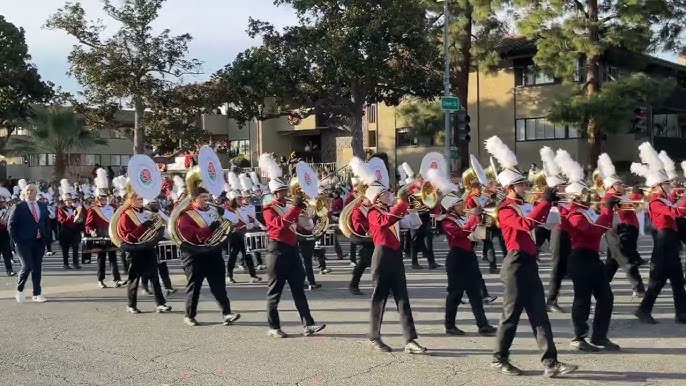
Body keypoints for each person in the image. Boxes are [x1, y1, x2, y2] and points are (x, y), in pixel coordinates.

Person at [486, 136, 577, 377]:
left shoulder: (524, 205)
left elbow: (543, 220)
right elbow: (527, 225)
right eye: (521, 185)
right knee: (510, 317)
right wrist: (544, 203)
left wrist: (550, 204)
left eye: (525, 184)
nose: (526, 187)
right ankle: (499, 358)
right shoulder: (505, 210)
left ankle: (551, 363)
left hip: (529, 265)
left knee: (540, 315)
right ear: (510, 188)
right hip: (515, 265)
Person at [558, 158, 620, 351]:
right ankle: (579, 337)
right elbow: (594, 231)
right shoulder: (574, 214)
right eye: (584, 194)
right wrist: (607, 209)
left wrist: (606, 209)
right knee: (582, 299)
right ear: (575, 197)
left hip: (593, 258)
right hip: (580, 258)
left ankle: (599, 336)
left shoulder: (587, 211)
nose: (588, 196)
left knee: (606, 297)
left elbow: (601, 226)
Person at [260, 153, 325, 338]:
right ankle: (273, 327)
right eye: (281, 192)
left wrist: (308, 215)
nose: (285, 194)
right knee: (274, 292)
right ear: (274, 193)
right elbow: (279, 226)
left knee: (299, 289)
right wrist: (295, 209)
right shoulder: (269, 209)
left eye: (285, 191)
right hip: (277, 251)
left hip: (292, 250)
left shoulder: (289, 206)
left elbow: (302, 226)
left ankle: (308, 324)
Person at [366, 180, 426, 354]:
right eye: (385, 193)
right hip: (382, 256)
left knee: (403, 299)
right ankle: (374, 337)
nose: (389, 195)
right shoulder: (373, 212)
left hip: (395, 256)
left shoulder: (390, 210)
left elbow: (414, 224)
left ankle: (410, 340)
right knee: (379, 299)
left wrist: (411, 207)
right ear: (377, 197)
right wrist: (401, 204)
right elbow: (386, 221)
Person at [630, 144, 686, 324]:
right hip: (664, 242)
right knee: (659, 281)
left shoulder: (661, 198)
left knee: (676, 280)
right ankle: (644, 310)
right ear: (658, 186)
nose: (670, 185)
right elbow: (677, 212)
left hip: (669, 241)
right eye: (666, 184)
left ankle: (681, 313)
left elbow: (673, 203)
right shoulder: (655, 202)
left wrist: (679, 195)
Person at [176, 186, 240, 326]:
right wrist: (210, 228)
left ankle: (227, 313)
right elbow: (190, 235)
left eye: (208, 196)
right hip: (195, 254)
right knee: (194, 287)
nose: (207, 200)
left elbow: (236, 221)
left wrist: (225, 212)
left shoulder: (214, 211)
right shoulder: (186, 214)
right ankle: (190, 315)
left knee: (219, 286)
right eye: (203, 197)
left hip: (214, 252)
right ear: (194, 199)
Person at [440, 191, 497, 336]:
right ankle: (449, 325)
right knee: (455, 293)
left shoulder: (464, 217)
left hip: (469, 257)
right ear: (452, 207)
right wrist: (473, 218)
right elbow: (459, 234)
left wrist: (482, 223)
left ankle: (483, 325)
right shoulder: (447, 221)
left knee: (475, 293)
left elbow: (476, 234)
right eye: (459, 204)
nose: (463, 205)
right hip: (456, 258)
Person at [116, 187, 171, 314]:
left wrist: (155, 233)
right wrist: (143, 226)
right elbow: (128, 236)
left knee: (154, 276)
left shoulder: (147, 213)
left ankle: (160, 304)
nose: (140, 201)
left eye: (142, 199)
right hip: (135, 249)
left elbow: (159, 225)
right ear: (131, 200)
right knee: (134, 278)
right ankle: (131, 305)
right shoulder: (126, 215)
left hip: (149, 247)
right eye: (138, 199)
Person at [597, 153, 645, 297]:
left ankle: (601, 286)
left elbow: (634, 206)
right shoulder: (609, 198)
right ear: (612, 186)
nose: (623, 185)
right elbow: (621, 211)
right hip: (617, 232)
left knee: (612, 263)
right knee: (626, 260)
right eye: (619, 184)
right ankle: (639, 288)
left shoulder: (621, 196)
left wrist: (637, 195)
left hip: (627, 231)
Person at [9, 183, 50, 303]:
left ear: (36, 193)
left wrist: (46, 235)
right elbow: (11, 225)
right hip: (23, 242)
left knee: (37, 267)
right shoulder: (19, 207)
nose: (30, 193)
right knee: (27, 266)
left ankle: (37, 293)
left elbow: (46, 221)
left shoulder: (42, 206)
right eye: (27, 191)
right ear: (24, 193)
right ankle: (20, 289)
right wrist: (15, 241)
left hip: (38, 241)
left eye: (32, 191)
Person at [86, 169, 123, 288]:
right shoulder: (93, 210)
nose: (103, 200)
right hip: (100, 235)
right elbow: (88, 224)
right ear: (97, 199)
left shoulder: (112, 208)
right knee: (101, 259)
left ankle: (117, 279)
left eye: (104, 198)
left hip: (111, 234)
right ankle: (100, 280)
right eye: (101, 198)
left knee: (113, 258)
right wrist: (91, 231)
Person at [57, 189, 83, 270]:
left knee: (75, 248)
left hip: (75, 231)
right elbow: (62, 220)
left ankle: (76, 263)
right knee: (65, 248)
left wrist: (80, 220)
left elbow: (80, 217)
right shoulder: (61, 209)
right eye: (67, 200)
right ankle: (66, 263)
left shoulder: (76, 209)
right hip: (65, 231)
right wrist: (71, 217)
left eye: (70, 200)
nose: (69, 202)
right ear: (64, 202)